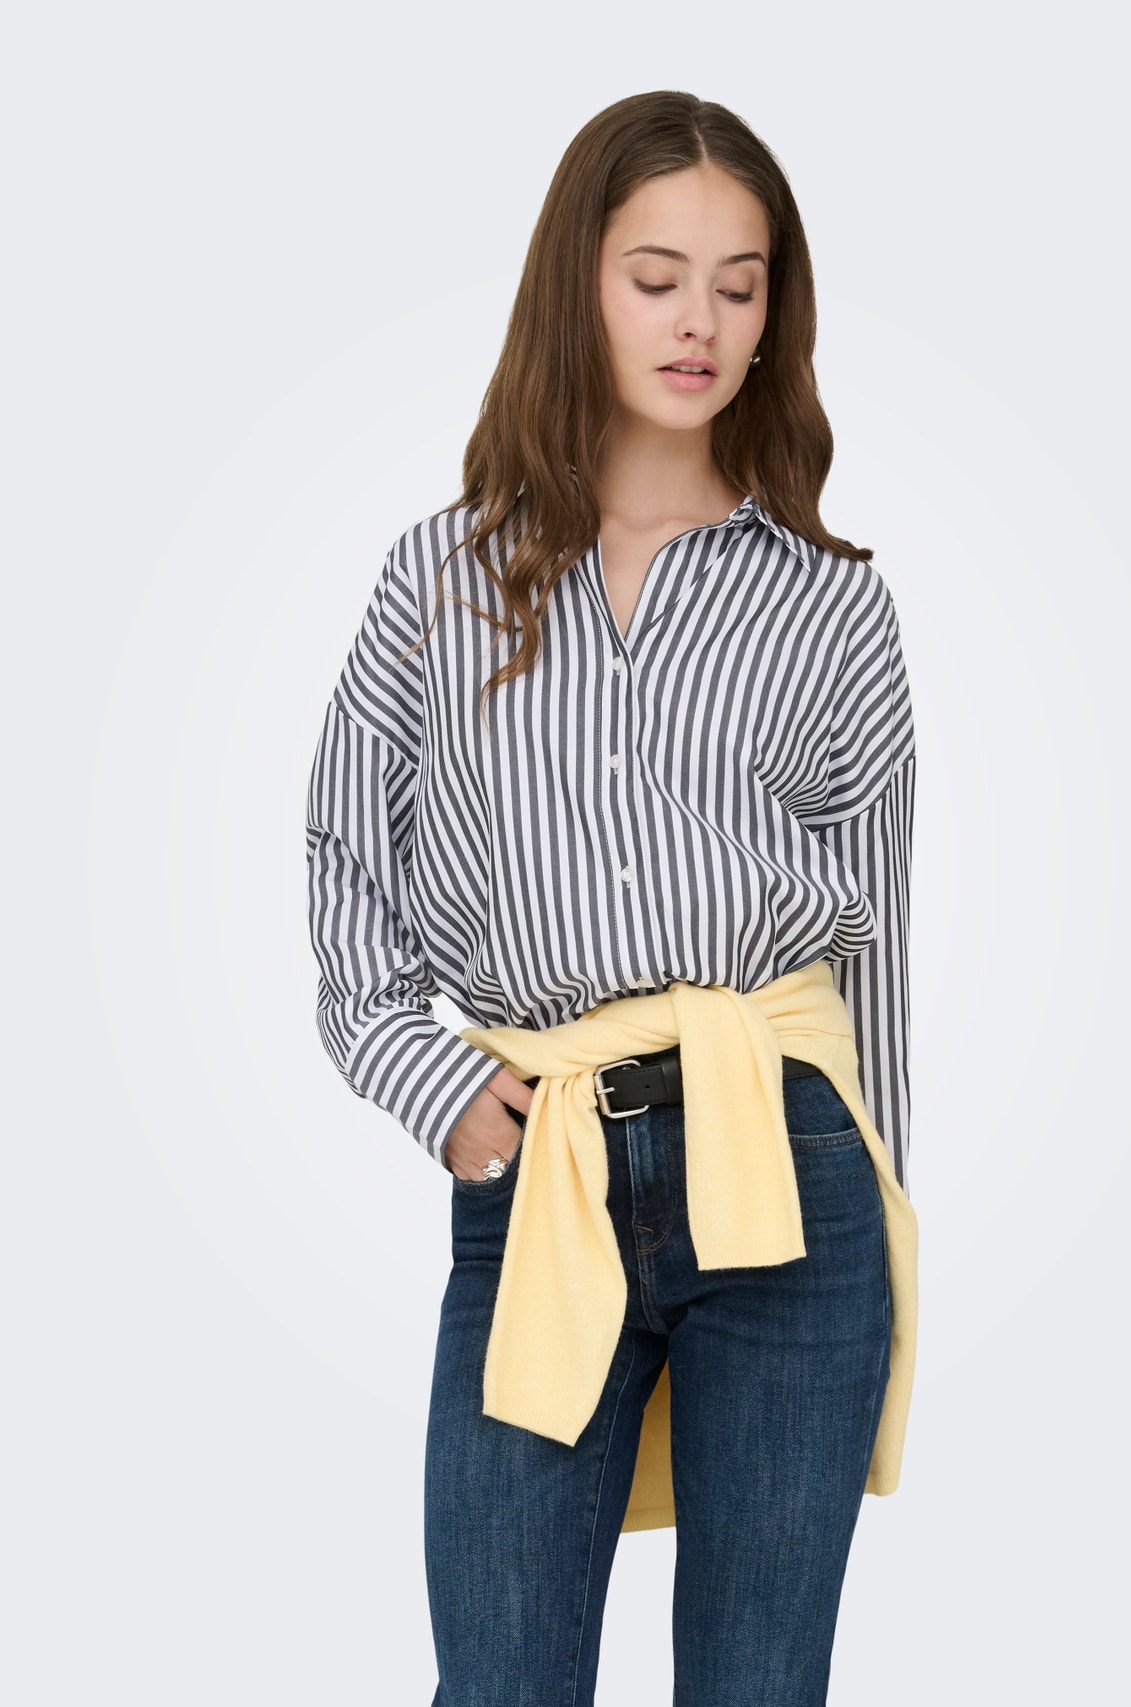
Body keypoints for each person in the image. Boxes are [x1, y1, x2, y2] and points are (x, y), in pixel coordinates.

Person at [305, 89, 919, 1707]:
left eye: (739, 282)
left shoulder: (832, 608)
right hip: (543, 1172)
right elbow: (346, 869)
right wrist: (435, 1087)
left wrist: (892, 1204)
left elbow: (881, 946)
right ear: (577, 283)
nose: (699, 321)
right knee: (499, 1685)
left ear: (775, 312)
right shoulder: (439, 580)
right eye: (657, 277)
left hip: (788, 1173)